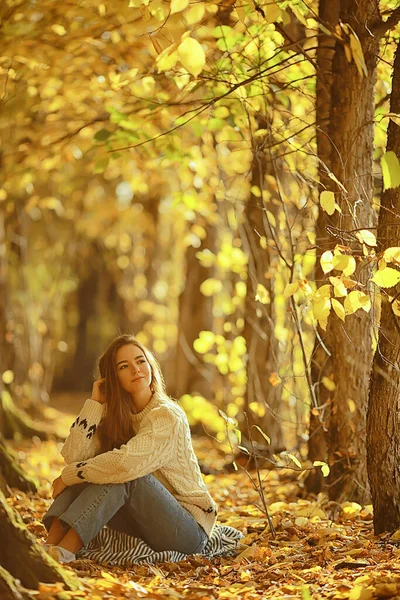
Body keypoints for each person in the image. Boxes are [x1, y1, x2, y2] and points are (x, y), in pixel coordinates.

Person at [42, 334, 218, 563]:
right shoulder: (116, 417)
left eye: (140, 361)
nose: (136, 369)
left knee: (126, 474)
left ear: (150, 366)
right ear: (113, 378)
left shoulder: (167, 415)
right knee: (93, 471)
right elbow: (73, 456)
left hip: (188, 530)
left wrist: (69, 476)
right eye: (124, 366)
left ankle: (65, 551)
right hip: (145, 521)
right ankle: (49, 545)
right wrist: (95, 404)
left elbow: (126, 465)